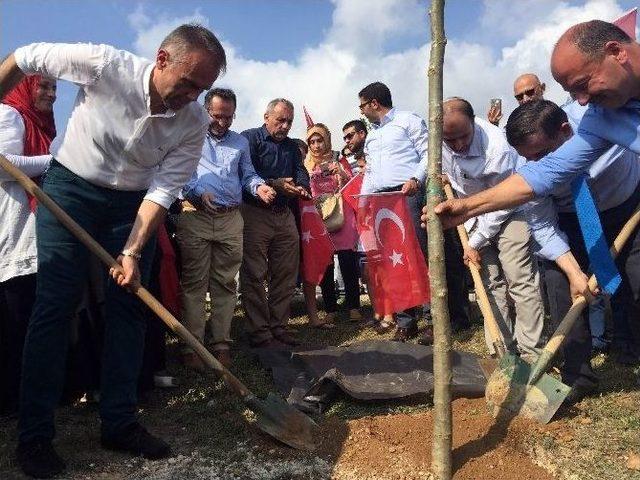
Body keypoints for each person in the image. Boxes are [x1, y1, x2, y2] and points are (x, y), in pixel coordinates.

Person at [0, 24, 226, 478]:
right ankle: (36, 436)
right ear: (162, 59)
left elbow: (164, 188)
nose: (192, 97)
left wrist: (131, 251)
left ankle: (119, 422)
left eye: (203, 89)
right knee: (55, 305)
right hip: (70, 190)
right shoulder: (105, 64)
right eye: (187, 83)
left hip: (131, 205)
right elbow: (25, 56)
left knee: (129, 305)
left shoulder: (194, 121)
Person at [432, 21, 640, 316]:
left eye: (583, 84)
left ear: (616, 52)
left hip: (627, 203)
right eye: (572, 91)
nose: (580, 100)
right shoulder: (599, 117)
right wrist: (466, 207)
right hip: (575, 221)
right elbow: (543, 175)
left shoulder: (584, 115)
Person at [506, 99, 640, 400]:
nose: (537, 165)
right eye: (529, 158)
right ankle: (578, 377)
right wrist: (573, 271)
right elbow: (541, 225)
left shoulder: (605, 121)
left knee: (635, 283)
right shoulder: (527, 169)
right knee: (559, 287)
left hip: (627, 206)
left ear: (565, 131)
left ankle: (631, 348)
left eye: (542, 154)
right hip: (570, 219)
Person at [359, 81, 469, 342]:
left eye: (362, 105)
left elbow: (428, 154)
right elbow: (371, 170)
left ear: (374, 103)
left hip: (409, 194)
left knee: (422, 255)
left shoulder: (408, 121)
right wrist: (364, 200)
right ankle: (406, 320)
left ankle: (434, 318)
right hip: (382, 201)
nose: (361, 111)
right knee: (394, 261)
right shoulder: (372, 135)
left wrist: (416, 179)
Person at [177, 88, 275, 370]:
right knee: (194, 284)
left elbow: (247, 174)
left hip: (231, 219)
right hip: (194, 216)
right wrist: (195, 192)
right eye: (217, 116)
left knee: (225, 284)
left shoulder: (240, 143)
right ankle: (192, 345)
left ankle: (221, 343)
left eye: (228, 118)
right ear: (205, 111)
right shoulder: (188, 136)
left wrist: (259, 187)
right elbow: (177, 173)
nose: (222, 123)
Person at [441, 97, 544, 358]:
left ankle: (531, 352)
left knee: (519, 279)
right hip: (470, 216)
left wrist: (475, 241)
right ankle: (501, 351)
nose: (459, 145)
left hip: (510, 212)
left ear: (474, 122)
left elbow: (501, 202)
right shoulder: (438, 143)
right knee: (489, 282)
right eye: (450, 141)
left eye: (464, 136)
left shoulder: (498, 147)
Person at [0, 75, 56, 417]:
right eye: (43, 87)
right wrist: (56, 160)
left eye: (54, 89)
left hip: (38, 228)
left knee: (35, 316)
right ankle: (12, 399)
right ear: (25, 87)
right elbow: (3, 165)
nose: (50, 94)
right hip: (15, 223)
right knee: (15, 316)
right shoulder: (10, 114)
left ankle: (33, 393)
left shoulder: (43, 125)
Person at [240, 99, 311, 348]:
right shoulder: (248, 139)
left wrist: (301, 186)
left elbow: (301, 171)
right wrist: (273, 183)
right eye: (280, 120)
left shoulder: (292, 146)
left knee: (286, 271)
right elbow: (245, 173)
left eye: (289, 121)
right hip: (255, 212)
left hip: (284, 213)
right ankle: (259, 331)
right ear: (266, 116)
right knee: (254, 273)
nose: (285, 125)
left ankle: (279, 325)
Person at [302, 123, 361, 327]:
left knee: (347, 260)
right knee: (325, 263)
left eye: (320, 140)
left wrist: (342, 173)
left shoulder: (339, 158)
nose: (317, 145)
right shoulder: (306, 164)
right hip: (319, 216)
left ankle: (354, 306)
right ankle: (330, 308)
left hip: (342, 214)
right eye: (312, 142)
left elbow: (353, 183)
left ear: (327, 140)